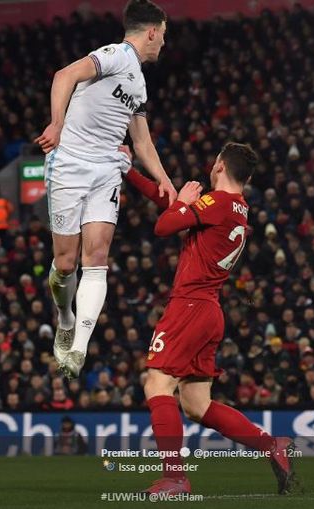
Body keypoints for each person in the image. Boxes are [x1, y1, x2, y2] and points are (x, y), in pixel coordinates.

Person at [124, 142, 298, 496]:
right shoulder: (237, 208)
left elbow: (164, 225)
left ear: (219, 165)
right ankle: (271, 446)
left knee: (157, 385)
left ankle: (175, 478)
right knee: (197, 404)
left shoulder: (217, 203)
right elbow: (170, 205)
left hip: (189, 306)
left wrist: (185, 201)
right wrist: (127, 172)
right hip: (209, 310)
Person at [34, 0, 176, 378]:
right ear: (151, 31)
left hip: (107, 171)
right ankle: (65, 317)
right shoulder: (115, 55)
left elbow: (142, 143)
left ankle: (78, 347)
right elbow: (63, 76)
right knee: (65, 264)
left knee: (96, 257)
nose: (164, 42)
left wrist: (166, 182)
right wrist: (57, 124)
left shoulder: (140, 83)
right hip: (70, 165)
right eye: (163, 35)